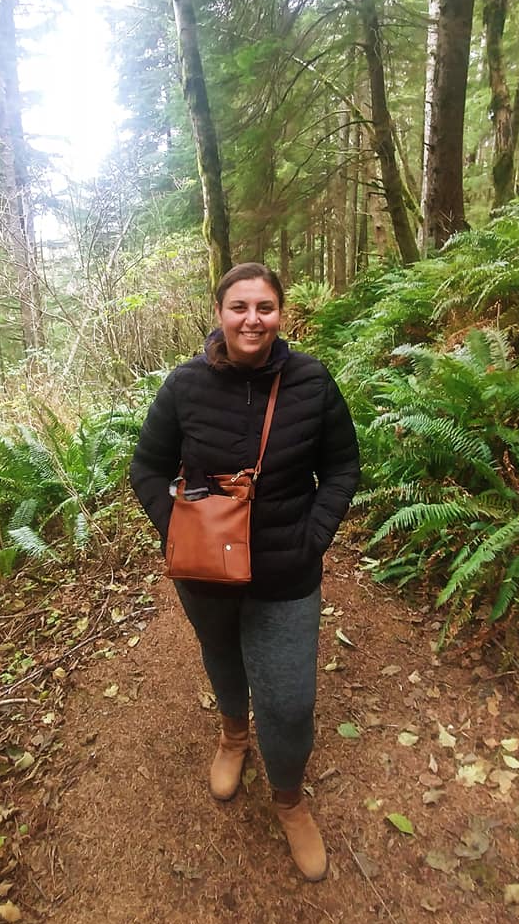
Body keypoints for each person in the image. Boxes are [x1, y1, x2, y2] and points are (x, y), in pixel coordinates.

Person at [130, 262, 359, 881]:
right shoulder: (184, 385)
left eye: (264, 307)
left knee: (288, 700)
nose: (252, 319)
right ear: (220, 314)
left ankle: (289, 799)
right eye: (239, 307)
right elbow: (146, 467)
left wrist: (313, 537)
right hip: (205, 572)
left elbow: (343, 468)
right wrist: (178, 528)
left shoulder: (312, 382)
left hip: (287, 573)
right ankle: (233, 735)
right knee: (222, 658)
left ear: (281, 314)